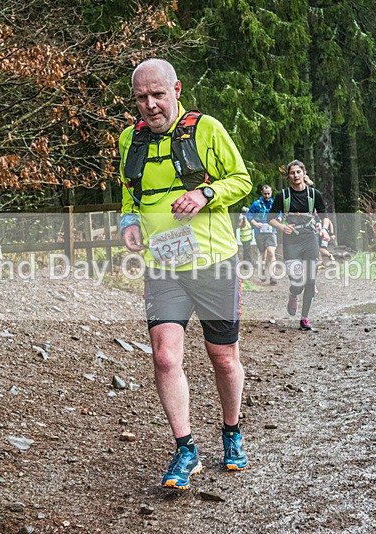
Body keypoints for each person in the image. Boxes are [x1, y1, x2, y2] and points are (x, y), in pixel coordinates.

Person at [118, 58, 252, 490]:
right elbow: (128, 191)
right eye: (142, 97)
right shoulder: (129, 139)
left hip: (214, 262)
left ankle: (231, 432)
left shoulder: (207, 129)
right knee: (164, 357)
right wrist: (128, 222)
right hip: (163, 266)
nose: (150, 105)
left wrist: (205, 194)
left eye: (158, 94)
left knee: (223, 358)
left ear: (176, 89)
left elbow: (242, 179)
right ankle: (185, 449)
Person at [267, 160, 327, 331]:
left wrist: (323, 229)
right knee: (298, 282)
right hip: (291, 241)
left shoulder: (314, 194)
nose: (295, 176)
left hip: (310, 239)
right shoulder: (283, 196)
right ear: (289, 176)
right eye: (292, 173)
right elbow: (269, 218)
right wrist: (282, 227)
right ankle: (293, 294)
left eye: (298, 172)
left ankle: (305, 318)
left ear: (303, 173)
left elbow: (324, 215)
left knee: (310, 281)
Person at [247, 184, 278, 284]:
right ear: (262, 193)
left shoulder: (274, 203)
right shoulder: (256, 204)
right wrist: (255, 223)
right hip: (259, 232)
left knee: (271, 252)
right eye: (265, 194)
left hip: (271, 231)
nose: (267, 196)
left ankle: (273, 276)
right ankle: (262, 270)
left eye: (269, 193)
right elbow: (249, 214)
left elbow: (279, 212)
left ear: (271, 193)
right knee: (263, 254)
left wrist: (279, 218)